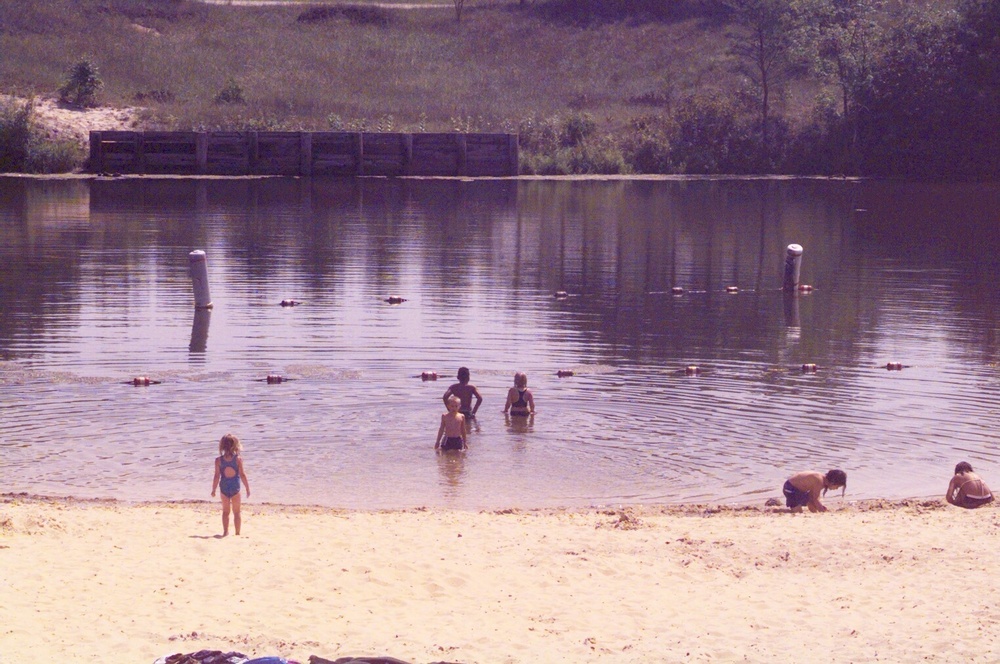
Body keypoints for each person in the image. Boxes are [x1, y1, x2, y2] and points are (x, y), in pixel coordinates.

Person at [211, 433, 251, 536]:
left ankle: (225, 532)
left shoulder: (218, 460)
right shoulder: (238, 459)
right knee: (237, 512)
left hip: (224, 488)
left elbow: (216, 476)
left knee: (225, 512)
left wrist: (213, 489)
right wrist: (247, 488)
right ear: (235, 446)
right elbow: (242, 474)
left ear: (222, 446)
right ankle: (237, 533)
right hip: (235, 488)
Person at [782, 469, 846, 513]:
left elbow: (812, 498)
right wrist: (822, 511)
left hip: (799, 490)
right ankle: (776, 510)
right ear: (832, 482)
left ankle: (813, 512)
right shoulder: (819, 480)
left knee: (812, 502)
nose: (837, 488)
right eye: (837, 486)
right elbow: (815, 499)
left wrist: (817, 508)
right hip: (790, 488)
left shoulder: (822, 481)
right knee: (798, 512)